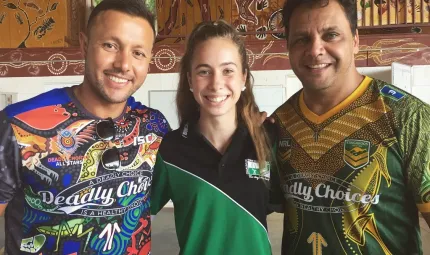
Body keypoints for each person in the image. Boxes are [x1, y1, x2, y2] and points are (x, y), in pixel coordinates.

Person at [0, 0, 170, 254]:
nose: (123, 64)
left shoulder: (154, 126)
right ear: (84, 45)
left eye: (138, 53)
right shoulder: (19, 124)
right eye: (110, 45)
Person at [270, 0, 430, 254]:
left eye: (331, 35)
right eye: (301, 39)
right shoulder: (279, 123)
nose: (315, 50)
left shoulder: (407, 117)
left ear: (355, 40)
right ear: (287, 45)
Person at [150, 20, 274, 254]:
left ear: (243, 78)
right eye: (204, 71)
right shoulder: (170, 150)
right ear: (189, 80)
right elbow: (135, 219)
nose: (216, 84)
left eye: (228, 70)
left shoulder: (268, 140)